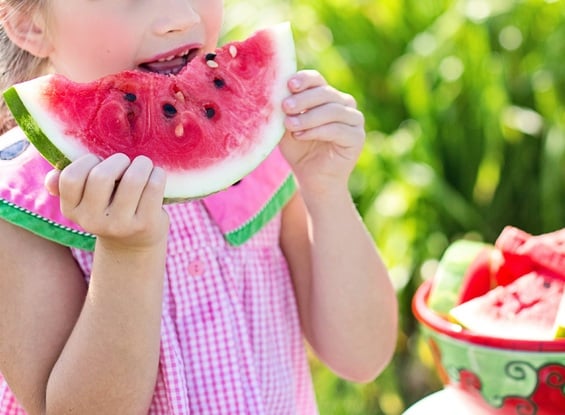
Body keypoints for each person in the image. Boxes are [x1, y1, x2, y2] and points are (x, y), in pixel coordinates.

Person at [0, 0, 398, 414]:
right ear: (27, 23)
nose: (182, 18)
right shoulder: (19, 204)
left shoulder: (262, 152)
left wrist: (326, 190)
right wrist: (128, 254)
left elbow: (362, 356)